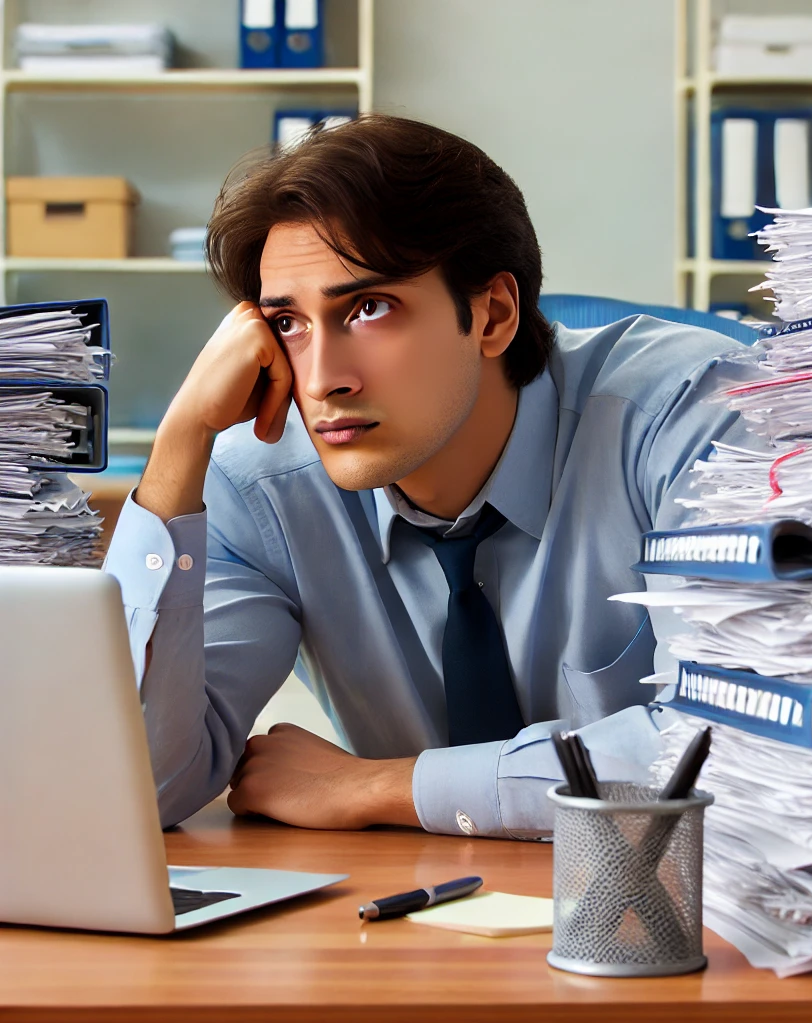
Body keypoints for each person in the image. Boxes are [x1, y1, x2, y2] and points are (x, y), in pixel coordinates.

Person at [103, 113, 740, 838]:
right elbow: (137, 791)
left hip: (675, 918)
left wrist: (381, 786)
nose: (321, 381)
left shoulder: (693, 421)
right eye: (288, 324)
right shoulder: (260, 484)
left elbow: (737, 753)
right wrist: (180, 445)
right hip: (417, 918)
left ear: (493, 314)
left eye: (368, 309)